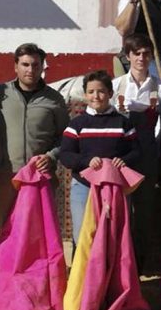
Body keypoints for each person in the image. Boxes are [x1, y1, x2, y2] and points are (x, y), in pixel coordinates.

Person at [0, 43, 69, 229]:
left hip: (40, 174)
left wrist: (51, 156)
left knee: (38, 230)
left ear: (42, 67)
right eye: (25, 65)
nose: (30, 70)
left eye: (36, 65)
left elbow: (65, 136)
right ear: (15, 66)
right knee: (7, 228)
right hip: (7, 173)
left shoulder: (54, 99)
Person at [60, 70, 141, 247]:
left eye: (101, 91)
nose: (96, 96)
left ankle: (110, 274)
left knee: (113, 233)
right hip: (83, 186)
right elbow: (65, 155)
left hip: (115, 187)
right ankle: (81, 274)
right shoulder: (77, 124)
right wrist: (86, 161)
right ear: (85, 95)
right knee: (83, 234)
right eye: (91, 92)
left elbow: (136, 152)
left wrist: (124, 160)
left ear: (110, 94)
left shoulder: (123, 123)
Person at [111, 34, 161, 273]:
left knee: (144, 212)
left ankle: (139, 265)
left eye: (146, 53)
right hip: (121, 158)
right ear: (128, 56)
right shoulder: (115, 86)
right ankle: (119, 264)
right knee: (120, 211)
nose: (142, 58)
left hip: (148, 157)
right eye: (137, 54)